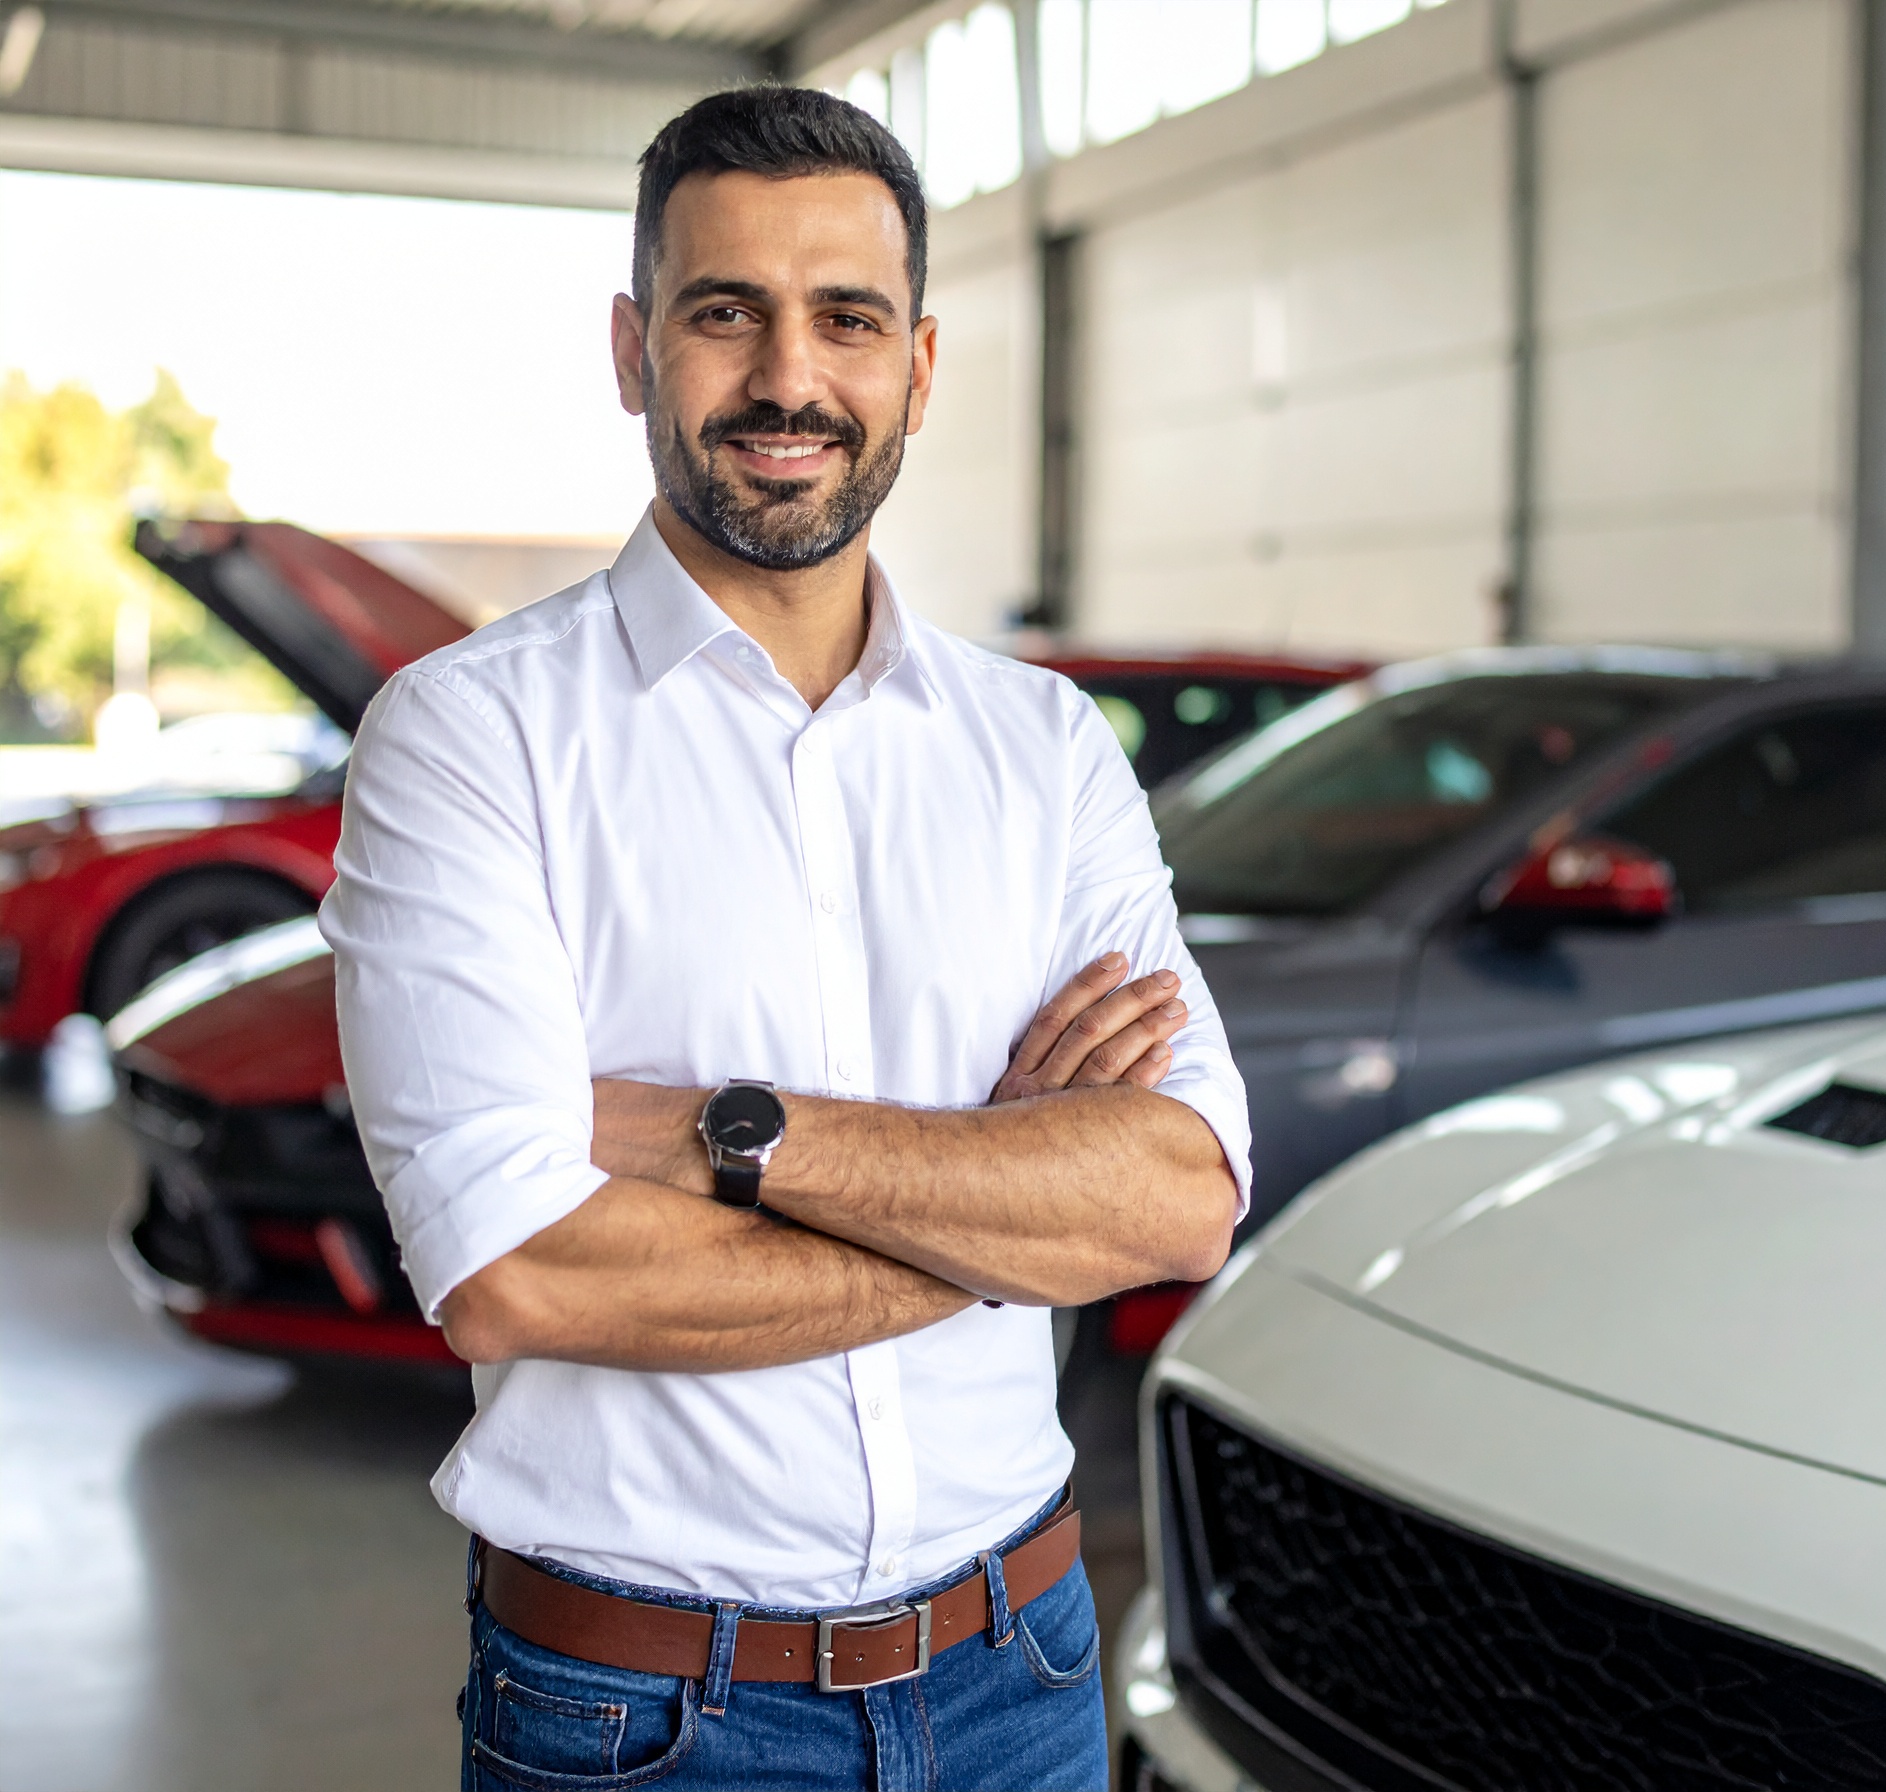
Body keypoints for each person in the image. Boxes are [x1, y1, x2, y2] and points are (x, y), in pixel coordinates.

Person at [318, 83, 1249, 1792]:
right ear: (631, 347)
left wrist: (714, 1137)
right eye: (723, 310)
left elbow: (1177, 1195)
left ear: (920, 366)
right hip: (645, 1717)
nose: (789, 379)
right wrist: (1007, 1215)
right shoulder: (469, 738)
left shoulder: (1040, 751)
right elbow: (519, 1270)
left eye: (849, 319)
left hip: (1023, 1672)